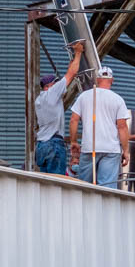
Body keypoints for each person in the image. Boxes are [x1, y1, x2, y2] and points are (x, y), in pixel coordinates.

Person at [68, 66, 130, 188]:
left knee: (84, 186)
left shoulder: (84, 96)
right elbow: (122, 127)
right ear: (112, 80)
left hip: (89, 147)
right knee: (106, 188)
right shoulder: (118, 99)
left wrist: (73, 141)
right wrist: (126, 151)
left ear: (97, 79)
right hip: (111, 149)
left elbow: (73, 120)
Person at [33, 41, 85, 174]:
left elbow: (69, 72)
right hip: (54, 145)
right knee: (56, 183)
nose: (59, 85)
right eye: (56, 83)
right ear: (49, 86)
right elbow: (71, 74)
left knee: (45, 182)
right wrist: (78, 53)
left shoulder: (39, 99)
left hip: (41, 146)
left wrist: (72, 61)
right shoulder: (52, 92)